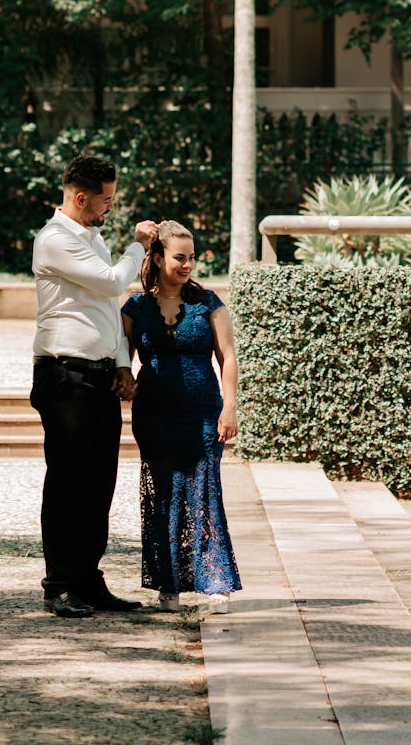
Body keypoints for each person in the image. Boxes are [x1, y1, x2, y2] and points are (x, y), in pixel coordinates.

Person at [30, 153, 158, 618]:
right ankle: (60, 583)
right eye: (105, 200)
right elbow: (111, 284)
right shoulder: (54, 240)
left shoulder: (92, 237)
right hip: (65, 374)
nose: (110, 209)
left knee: (99, 481)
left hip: (100, 374)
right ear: (80, 197)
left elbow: (107, 312)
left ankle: (89, 579)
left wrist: (123, 364)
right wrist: (139, 244)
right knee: (67, 481)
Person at [121, 220, 242, 615]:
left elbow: (228, 358)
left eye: (191, 258)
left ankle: (215, 582)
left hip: (203, 413)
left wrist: (230, 406)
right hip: (154, 414)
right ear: (157, 258)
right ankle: (167, 584)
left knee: (204, 494)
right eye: (179, 257)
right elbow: (122, 355)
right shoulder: (136, 307)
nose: (187, 264)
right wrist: (124, 377)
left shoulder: (209, 302)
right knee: (162, 497)